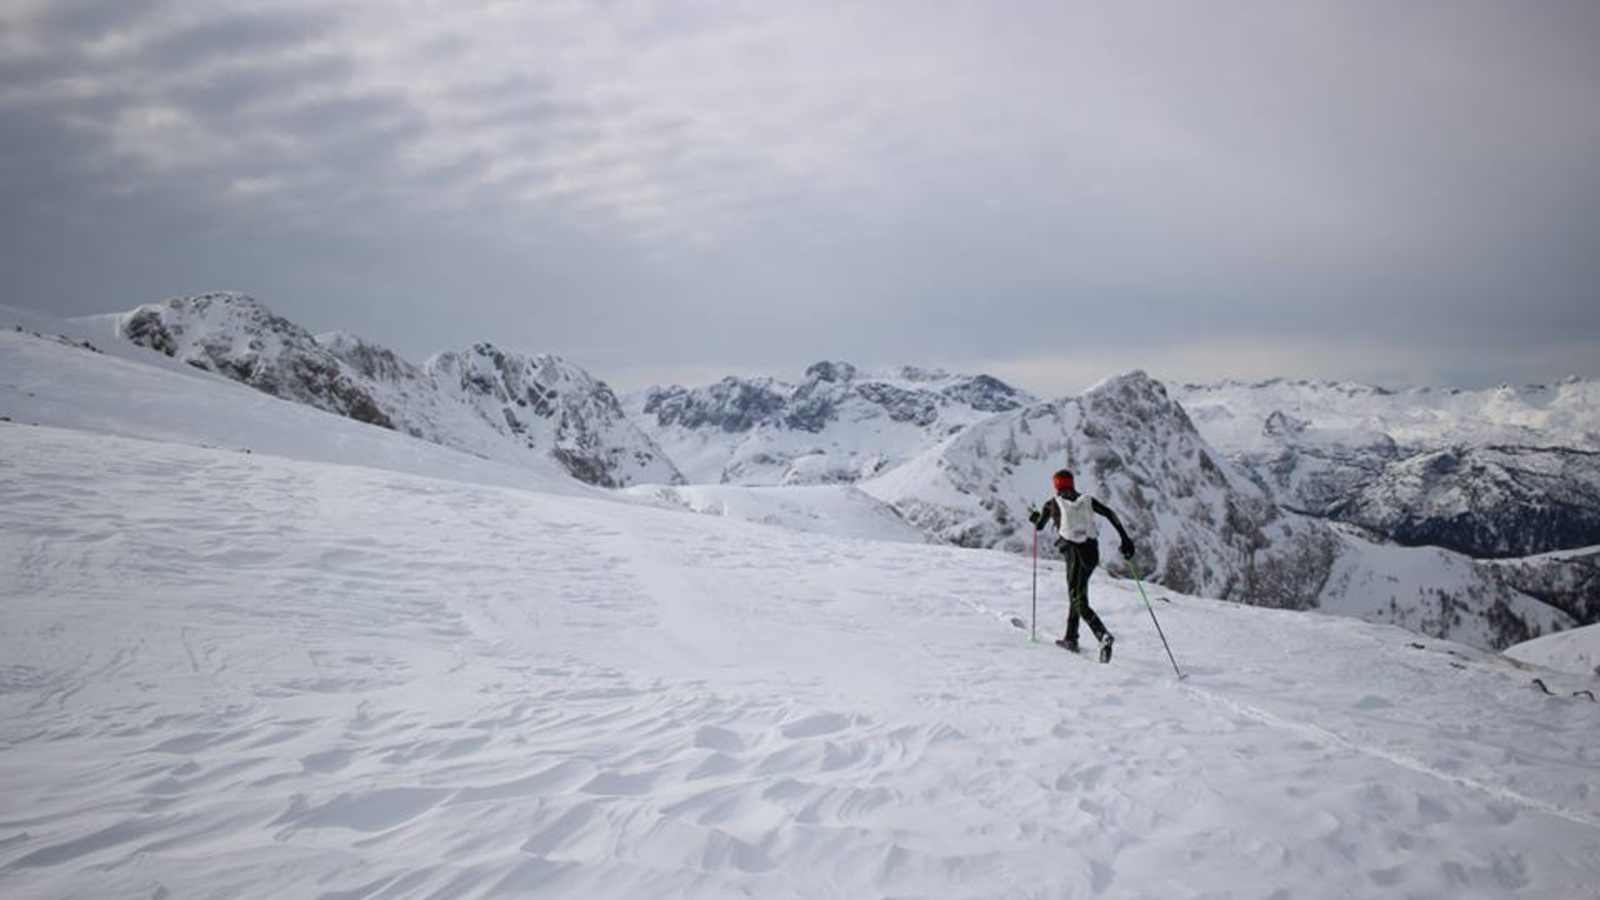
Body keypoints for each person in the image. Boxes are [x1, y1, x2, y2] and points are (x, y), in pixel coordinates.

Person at [1028, 469, 1136, 660]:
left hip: (1073, 553)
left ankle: (1102, 635)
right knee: (1077, 592)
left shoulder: (1052, 503)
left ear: (1056, 485)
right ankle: (1071, 638)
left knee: (1077, 598)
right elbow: (1110, 514)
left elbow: (1039, 525)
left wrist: (1035, 517)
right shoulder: (1087, 500)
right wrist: (1125, 539)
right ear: (1072, 483)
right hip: (1092, 552)